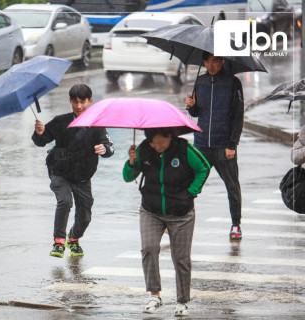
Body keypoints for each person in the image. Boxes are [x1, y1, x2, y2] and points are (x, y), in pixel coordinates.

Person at [123, 127, 210, 316]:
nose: (157, 146)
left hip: (181, 213)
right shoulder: (144, 149)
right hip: (150, 210)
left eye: (161, 142)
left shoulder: (184, 149)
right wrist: (131, 163)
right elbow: (127, 177)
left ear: (170, 136)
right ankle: (155, 295)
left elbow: (204, 168)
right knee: (148, 248)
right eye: (153, 143)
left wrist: (191, 193)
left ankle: (182, 301)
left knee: (180, 258)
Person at [32, 83, 115, 258]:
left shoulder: (97, 125)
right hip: (59, 172)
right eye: (75, 102)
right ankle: (59, 242)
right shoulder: (61, 121)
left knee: (85, 216)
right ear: (70, 101)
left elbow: (109, 146)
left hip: (83, 177)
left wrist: (105, 149)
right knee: (65, 201)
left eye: (83, 102)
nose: (79, 106)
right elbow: (41, 141)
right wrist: (39, 133)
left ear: (90, 101)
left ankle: (74, 239)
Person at [185, 52, 244, 240]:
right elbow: (196, 112)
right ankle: (177, 218)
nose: (211, 65)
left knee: (232, 186)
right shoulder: (200, 81)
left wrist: (232, 144)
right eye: (207, 61)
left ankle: (236, 224)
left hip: (223, 146)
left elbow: (238, 116)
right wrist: (191, 106)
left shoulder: (233, 83)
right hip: (201, 144)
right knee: (189, 183)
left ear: (222, 61)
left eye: (215, 61)